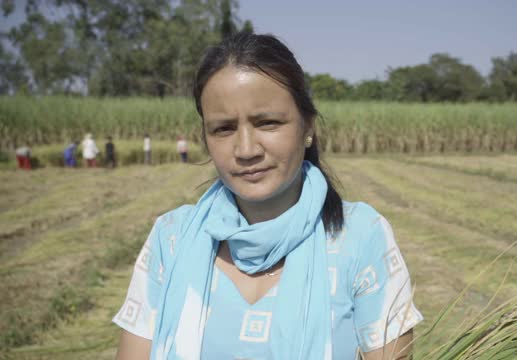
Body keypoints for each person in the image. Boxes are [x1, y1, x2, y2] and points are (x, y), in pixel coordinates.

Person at [113, 32, 422, 360]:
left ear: (307, 127)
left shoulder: (360, 237)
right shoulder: (171, 239)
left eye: (268, 123)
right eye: (224, 129)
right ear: (205, 137)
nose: (246, 150)